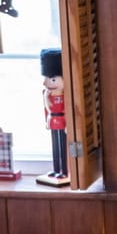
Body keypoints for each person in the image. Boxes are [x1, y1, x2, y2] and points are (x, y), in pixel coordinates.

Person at [36, 48, 69, 186]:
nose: (47, 83)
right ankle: (56, 169)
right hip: (52, 120)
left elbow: (68, 110)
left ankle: (64, 170)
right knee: (55, 146)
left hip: (62, 120)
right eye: (46, 79)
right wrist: (47, 121)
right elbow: (46, 110)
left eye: (53, 79)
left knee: (62, 146)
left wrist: (68, 124)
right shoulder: (47, 95)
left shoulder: (65, 95)